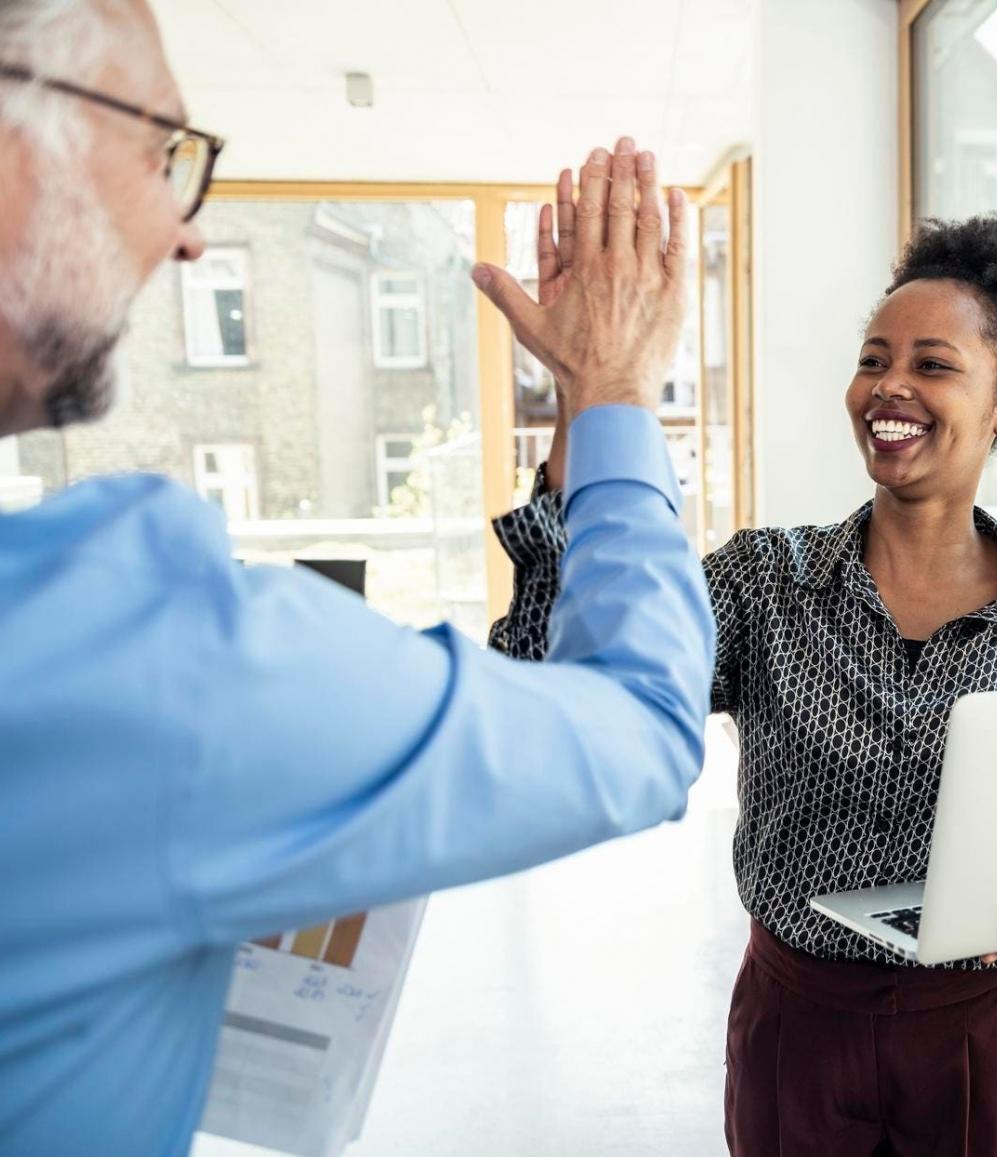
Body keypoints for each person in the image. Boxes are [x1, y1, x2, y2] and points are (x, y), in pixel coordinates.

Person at [0, 2, 713, 1153]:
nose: (189, 234)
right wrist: (618, 384)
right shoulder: (131, 641)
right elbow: (639, 724)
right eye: (161, 150)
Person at [490, 212, 997, 1156]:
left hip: (977, 1033)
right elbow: (550, 690)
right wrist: (582, 400)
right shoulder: (763, 582)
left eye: (932, 364)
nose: (889, 385)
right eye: (874, 358)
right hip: (794, 1026)